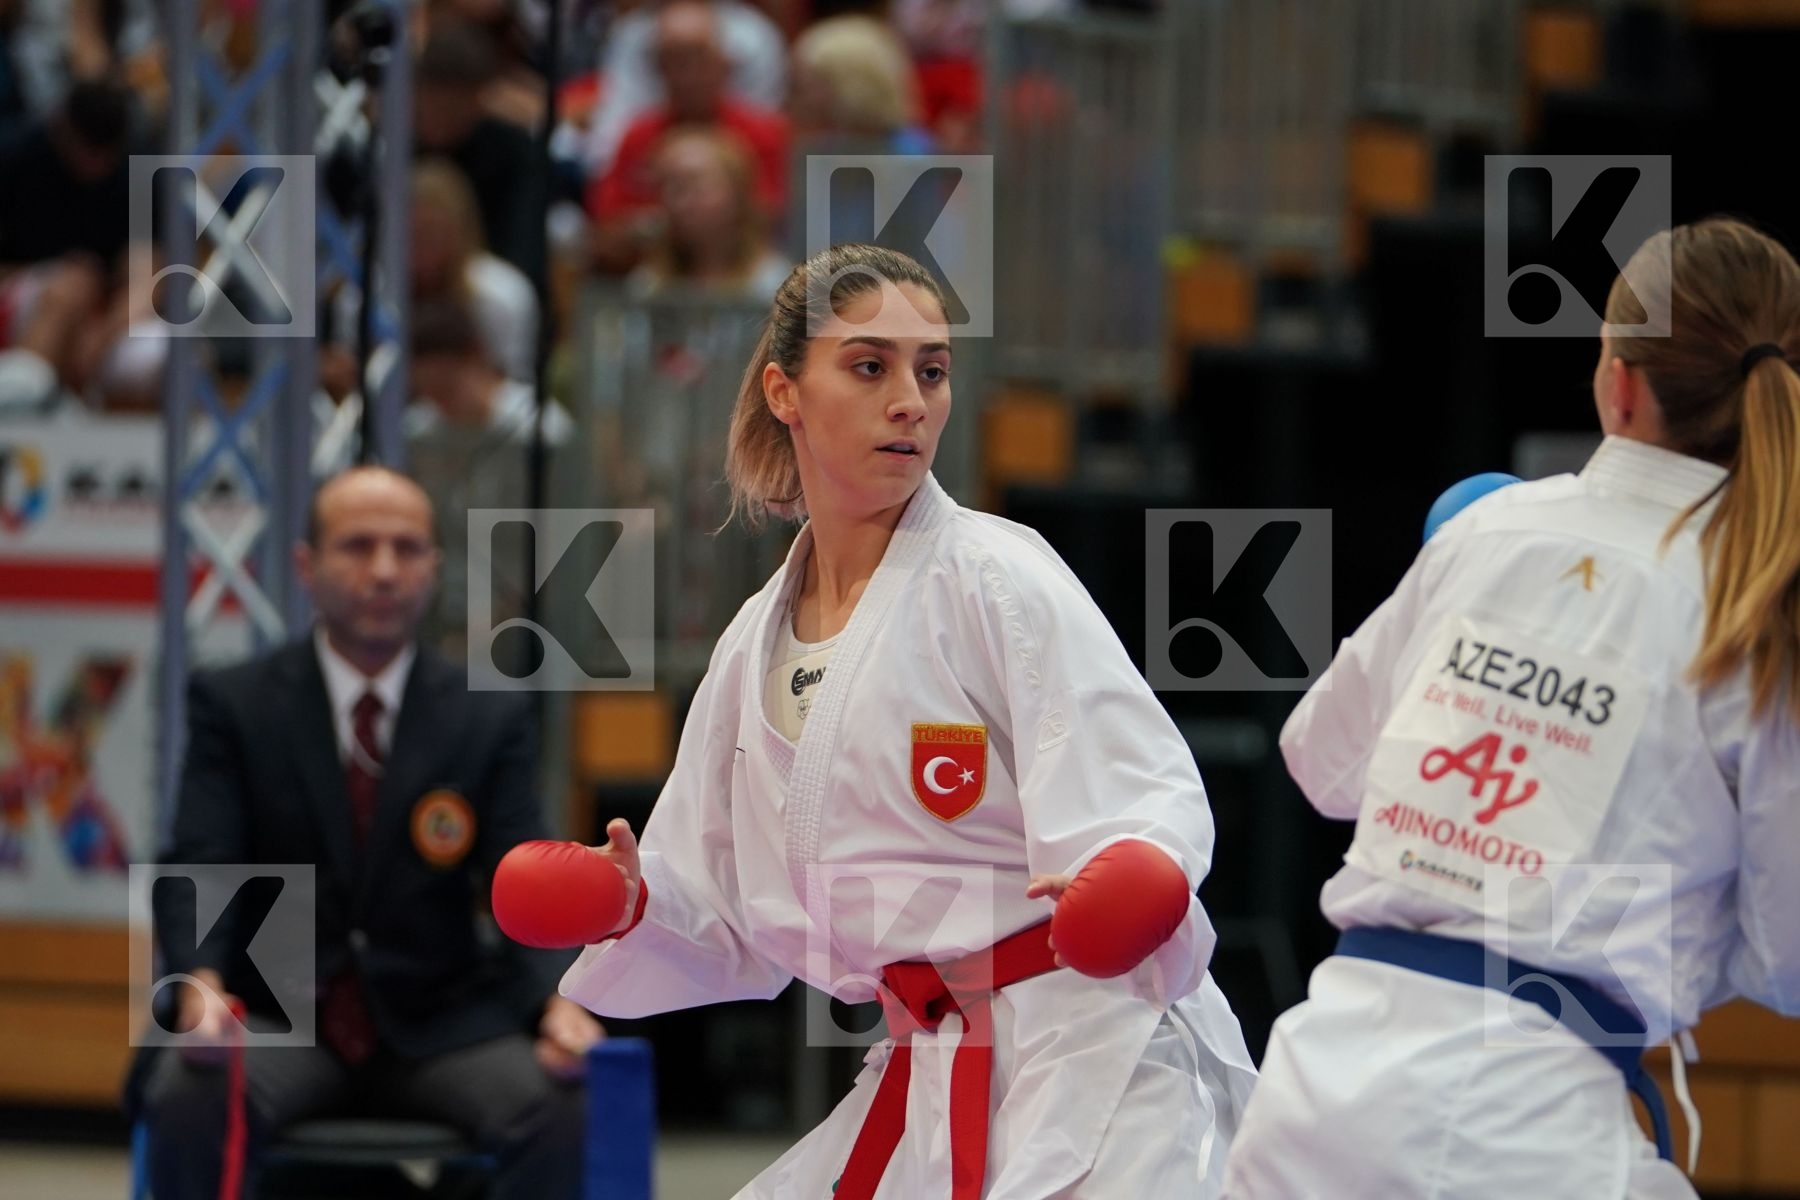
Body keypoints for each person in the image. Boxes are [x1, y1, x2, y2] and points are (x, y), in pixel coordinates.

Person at [557, 244, 1258, 1197]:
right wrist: (631, 904)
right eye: (869, 366)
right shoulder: (749, 645)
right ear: (784, 391)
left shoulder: (996, 574)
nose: (910, 401)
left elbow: (1139, 790)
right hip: (927, 1064)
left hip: (1095, 1054)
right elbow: (730, 912)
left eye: (932, 371)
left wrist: (1138, 867)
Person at [1220, 216, 1800, 1199]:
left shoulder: (1491, 528)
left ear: (1617, 380)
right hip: (1535, 1124)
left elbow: (1321, 760)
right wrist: (1667, 935)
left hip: (1319, 1096)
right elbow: (1786, 960)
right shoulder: (1758, 611)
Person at [138, 466, 600, 1200]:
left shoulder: (487, 717)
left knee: (557, 1101)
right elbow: (204, 858)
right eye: (357, 546)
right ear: (305, 566)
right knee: (189, 1089)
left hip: (440, 1021)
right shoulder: (236, 702)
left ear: (434, 568)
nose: (384, 570)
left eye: (407, 548)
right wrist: (202, 983)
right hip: (279, 1013)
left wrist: (561, 1002)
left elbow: (526, 878)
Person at [405, 295, 573, 663]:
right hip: (446, 619)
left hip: (536, 627)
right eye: (430, 395)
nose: (442, 406)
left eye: (447, 390)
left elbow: (561, 550)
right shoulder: (420, 433)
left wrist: (495, 624)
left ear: (477, 360)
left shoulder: (542, 431)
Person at [586, 0, 789, 274]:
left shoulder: (765, 134)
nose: (687, 73)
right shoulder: (636, 136)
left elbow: (776, 221)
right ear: (656, 69)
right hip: (656, 278)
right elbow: (605, 233)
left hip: (745, 277)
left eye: (697, 56)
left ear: (723, 61)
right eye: (674, 60)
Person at [626, 126, 792, 302]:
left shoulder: (774, 282)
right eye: (668, 187)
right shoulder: (648, 283)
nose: (679, 203)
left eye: (694, 184)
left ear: (738, 193)